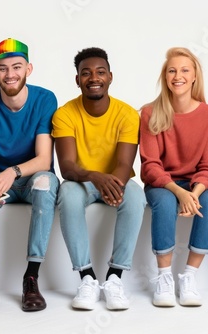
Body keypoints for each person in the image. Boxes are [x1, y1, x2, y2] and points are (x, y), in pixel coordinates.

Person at [0, 38, 59, 312]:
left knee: (46, 182)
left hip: (28, 178)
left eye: (16, 67)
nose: (10, 74)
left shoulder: (45, 99)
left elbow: (43, 158)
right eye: (2, 68)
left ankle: (31, 278)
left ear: (29, 68)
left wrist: (12, 171)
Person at [52, 47, 146, 311]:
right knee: (67, 193)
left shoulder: (127, 114)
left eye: (100, 72)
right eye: (86, 73)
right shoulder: (65, 114)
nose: (94, 78)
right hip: (81, 182)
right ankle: (87, 278)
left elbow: (125, 164)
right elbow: (67, 167)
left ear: (110, 77)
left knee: (136, 195)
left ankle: (115, 277)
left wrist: (111, 187)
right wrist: (95, 177)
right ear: (77, 80)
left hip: (115, 180)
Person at [139, 47, 208, 307]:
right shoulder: (150, 113)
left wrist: (193, 194)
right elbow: (150, 166)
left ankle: (189, 276)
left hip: (195, 184)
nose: (178, 76)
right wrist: (179, 192)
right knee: (163, 203)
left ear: (195, 76)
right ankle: (164, 278)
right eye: (172, 70)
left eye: (185, 70)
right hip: (163, 183)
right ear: (165, 77)